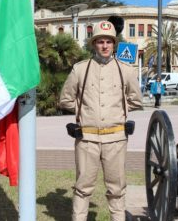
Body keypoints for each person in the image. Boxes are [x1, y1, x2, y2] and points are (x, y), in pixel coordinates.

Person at [59, 20, 143, 221]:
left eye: (108, 41)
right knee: (82, 188)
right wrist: (83, 110)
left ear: (114, 44)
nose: (104, 46)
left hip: (115, 139)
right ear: (93, 44)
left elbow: (136, 100)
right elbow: (65, 99)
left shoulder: (126, 70)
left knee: (117, 189)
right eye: (100, 41)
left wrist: (119, 111)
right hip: (87, 140)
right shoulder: (80, 69)